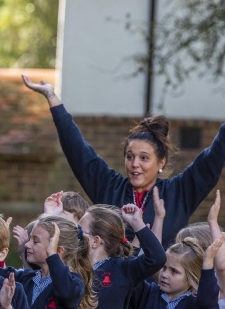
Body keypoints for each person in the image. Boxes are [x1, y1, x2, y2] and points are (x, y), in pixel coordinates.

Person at [22, 75, 225, 248]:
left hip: (161, 282)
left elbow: (213, 158)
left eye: (144, 158)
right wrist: (52, 96)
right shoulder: (110, 187)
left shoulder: (179, 192)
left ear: (161, 162)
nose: (135, 164)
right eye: (130, 156)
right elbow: (77, 149)